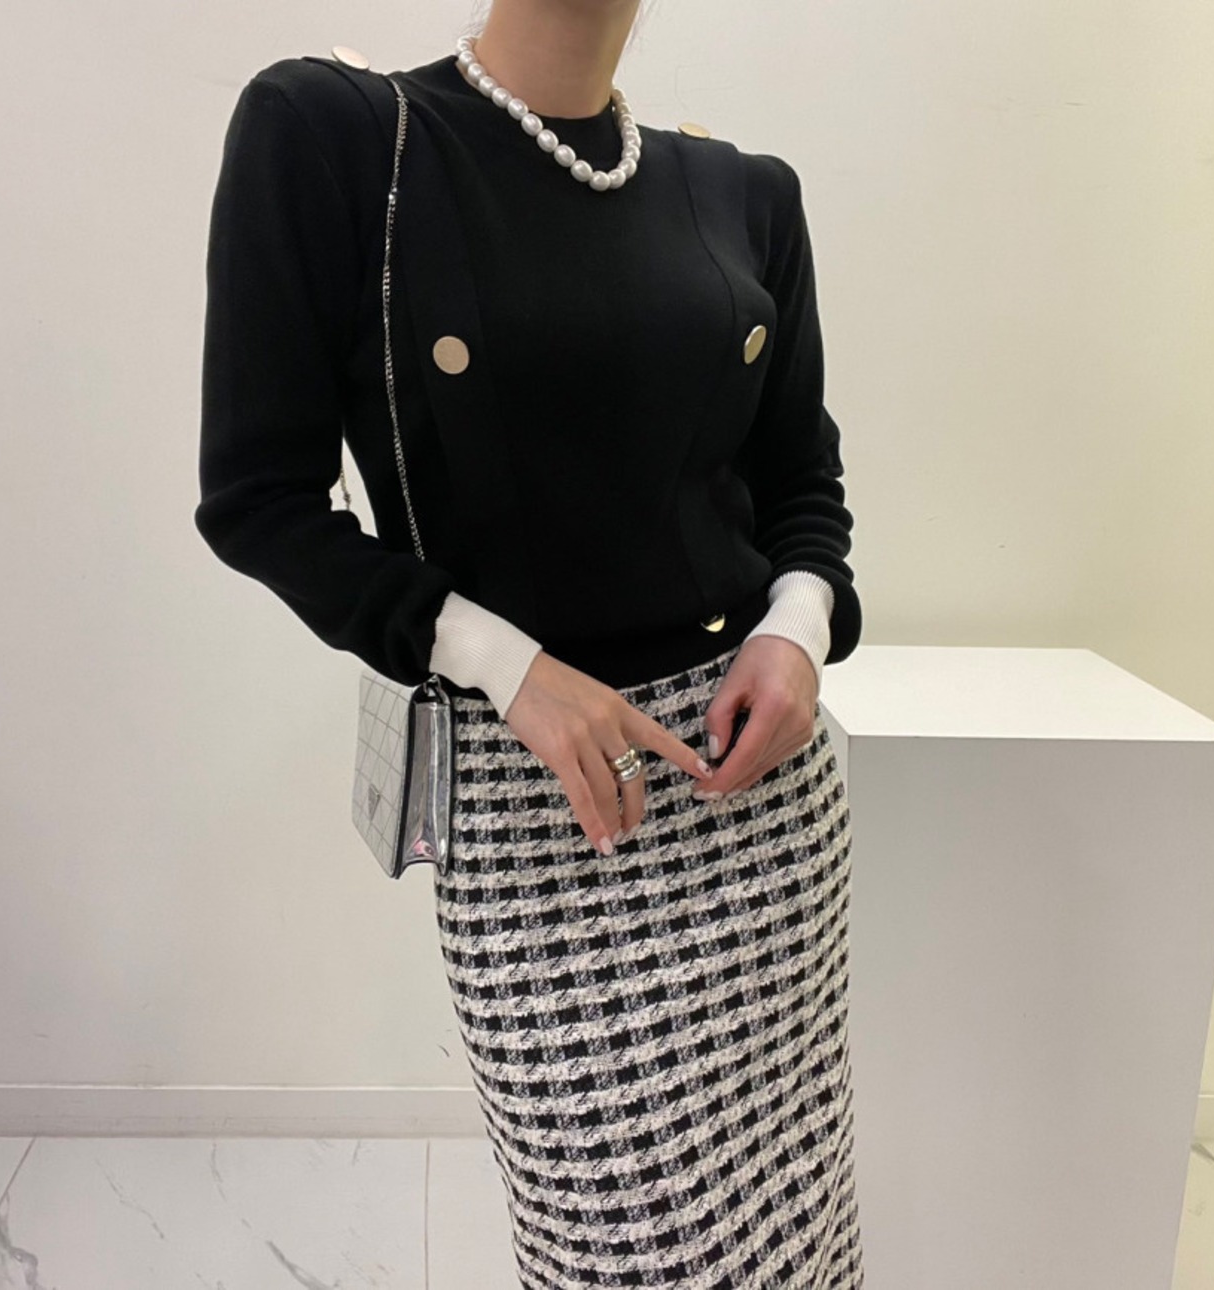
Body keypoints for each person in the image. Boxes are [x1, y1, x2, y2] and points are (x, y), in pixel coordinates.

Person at [196, 0, 864, 1284]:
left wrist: (796, 629)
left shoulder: (746, 193)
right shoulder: (339, 134)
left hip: (762, 808)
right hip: (535, 807)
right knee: (612, 1245)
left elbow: (800, 484)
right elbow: (257, 500)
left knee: (795, 1236)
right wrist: (508, 668)